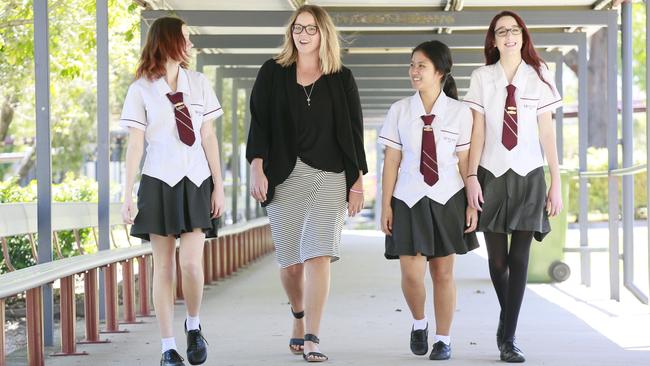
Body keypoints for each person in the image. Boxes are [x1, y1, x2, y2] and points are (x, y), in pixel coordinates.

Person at [246, 4, 367, 363]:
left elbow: (354, 131)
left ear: (323, 34)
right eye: (298, 28)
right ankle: (298, 316)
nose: (303, 34)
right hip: (283, 174)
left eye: (311, 29)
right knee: (290, 262)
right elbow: (259, 122)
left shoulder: (341, 77)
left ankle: (313, 336)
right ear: (291, 32)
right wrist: (256, 165)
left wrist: (356, 181)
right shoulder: (273, 72)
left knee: (318, 254)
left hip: (330, 175)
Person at [119, 17, 225, 366]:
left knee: (191, 265)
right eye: (186, 37)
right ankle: (167, 347)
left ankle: (193, 326)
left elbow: (208, 136)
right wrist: (126, 193)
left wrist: (218, 186)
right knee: (162, 267)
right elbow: (135, 145)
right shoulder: (141, 90)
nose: (191, 43)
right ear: (169, 40)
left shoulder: (199, 83)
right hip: (158, 181)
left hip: (195, 181)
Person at [463, 11, 564, 363]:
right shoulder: (481, 77)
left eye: (514, 30)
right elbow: (477, 130)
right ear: (493, 39)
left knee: (520, 258)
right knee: (497, 260)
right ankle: (509, 323)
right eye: (501, 31)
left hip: (529, 173)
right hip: (491, 172)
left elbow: (547, 132)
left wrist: (556, 182)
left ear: (523, 36)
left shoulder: (539, 76)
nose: (508, 36)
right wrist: (471, 176)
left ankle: (508, 337)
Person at [379, 40, 479, 361]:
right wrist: (385, 205)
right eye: (412, 65)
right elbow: (391, 161)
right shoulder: (399, 110)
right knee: (410, 274)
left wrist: (469, 202)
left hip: (447, 197)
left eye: (421, 65)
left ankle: (444, 339)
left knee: (443, 274)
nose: (414, 71)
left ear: (441, 71)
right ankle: (419, 323)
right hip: (407, 198)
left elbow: (464, 162)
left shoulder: (461, 112)